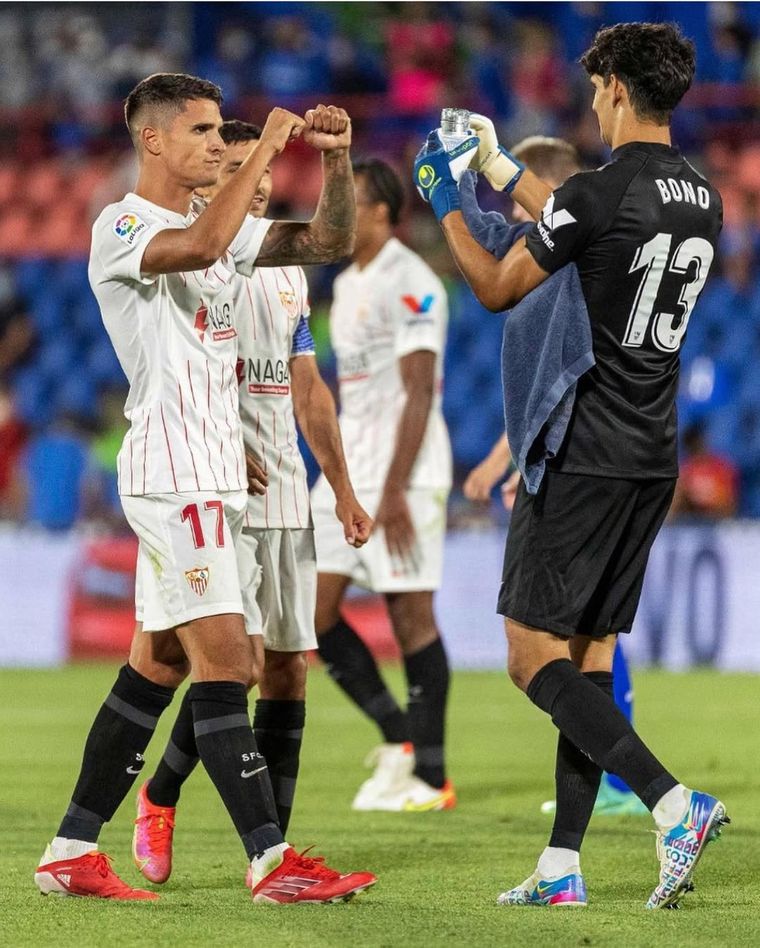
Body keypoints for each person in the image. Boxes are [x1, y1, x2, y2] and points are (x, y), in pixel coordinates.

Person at [34, 73, 375, 905]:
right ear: (152, 140)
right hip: (173, 474)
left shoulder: (215, 226)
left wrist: (334, 162)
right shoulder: (124, 225)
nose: (220, 145)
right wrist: (267, 146)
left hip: (216, 473)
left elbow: (324, 242)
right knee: (230, 662)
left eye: (225, 131)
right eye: (203, 132)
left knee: (156, 665)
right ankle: (270, 861)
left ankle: (71, 848)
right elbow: (196, 249)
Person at [414, 23, 727, 909]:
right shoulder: (703, 198)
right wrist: (502, 167)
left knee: (530, 657)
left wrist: (447, 198)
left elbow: (497, 285)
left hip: (584, 447)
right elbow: (593, 221)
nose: (591, 101)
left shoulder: (598, 190)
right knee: (588, 660)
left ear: (617, 87)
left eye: (595, 88)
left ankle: (672, 802)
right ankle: (561, 866)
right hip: (651, 451)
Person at [133, 118, 371, 884]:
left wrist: (341, 486)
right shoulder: (191, 261)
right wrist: (219, 440)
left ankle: (279, 854)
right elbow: (165, 375)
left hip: (285, 493)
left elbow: (307, 388)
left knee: (289, 672)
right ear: (207, 174)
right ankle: (162, 796)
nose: (259, 181)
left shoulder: (282, 268)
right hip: (212, 489)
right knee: (234, 665)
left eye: (262, 168)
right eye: (238, 166)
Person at [463, 136, 648, 819]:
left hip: (580, 461)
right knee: (591, 644)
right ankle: (568, 851)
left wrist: (452, 194)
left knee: (539, 652)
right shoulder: (610, 253)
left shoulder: (564, 255)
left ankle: (658, 793)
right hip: (631, 452)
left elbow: (549, 370)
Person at [312, 158, 455, 812]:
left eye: (349, 200)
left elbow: (419, 390)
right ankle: (399, 738)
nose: (336, 212)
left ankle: (431, 777)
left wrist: (395, 488)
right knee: (311, 611)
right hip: (349, 466)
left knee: (409, 616)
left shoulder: (413, 281)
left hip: (407, 469)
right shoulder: (345, 285)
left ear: (380, 212)